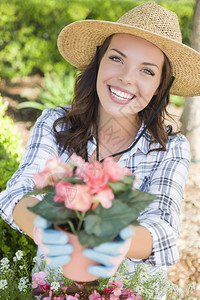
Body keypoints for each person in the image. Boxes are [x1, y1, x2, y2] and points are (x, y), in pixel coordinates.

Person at [0, 1, 200, 279]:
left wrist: (114, 241)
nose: (126, 78)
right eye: (117, 58)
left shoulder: (169, 148)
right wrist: (45, 228)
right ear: (99, 62)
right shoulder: (55, 124)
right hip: (55, 290)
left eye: (147, 70)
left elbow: (162, 228)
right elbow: (20, 192)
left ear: (159, 87)